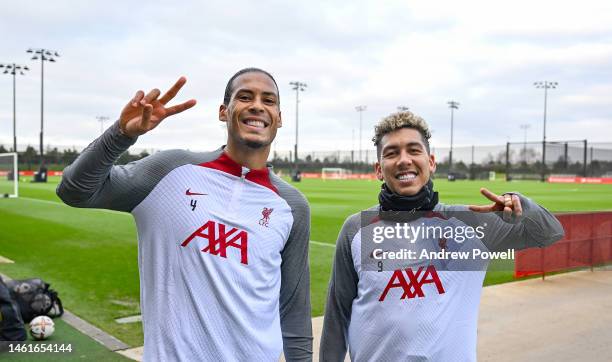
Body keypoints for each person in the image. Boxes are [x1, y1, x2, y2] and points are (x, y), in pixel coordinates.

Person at [57, 69, 312, 361]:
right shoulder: (170, 170)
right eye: (245, 97)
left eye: (269, 100)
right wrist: (121, 135)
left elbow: (294, 312)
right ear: (223, 112)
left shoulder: (291, 206)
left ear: (278, 117)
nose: (257, 105)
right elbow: (74, 191)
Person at [319, 111, 564, 361]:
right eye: (392, 153)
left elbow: (551, 233)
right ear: (379, 169)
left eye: (414, 150)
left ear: (431, 162)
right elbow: (337, 319)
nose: (404, 160)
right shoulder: (356, 229)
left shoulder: (472, 223)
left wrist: (521, 205)